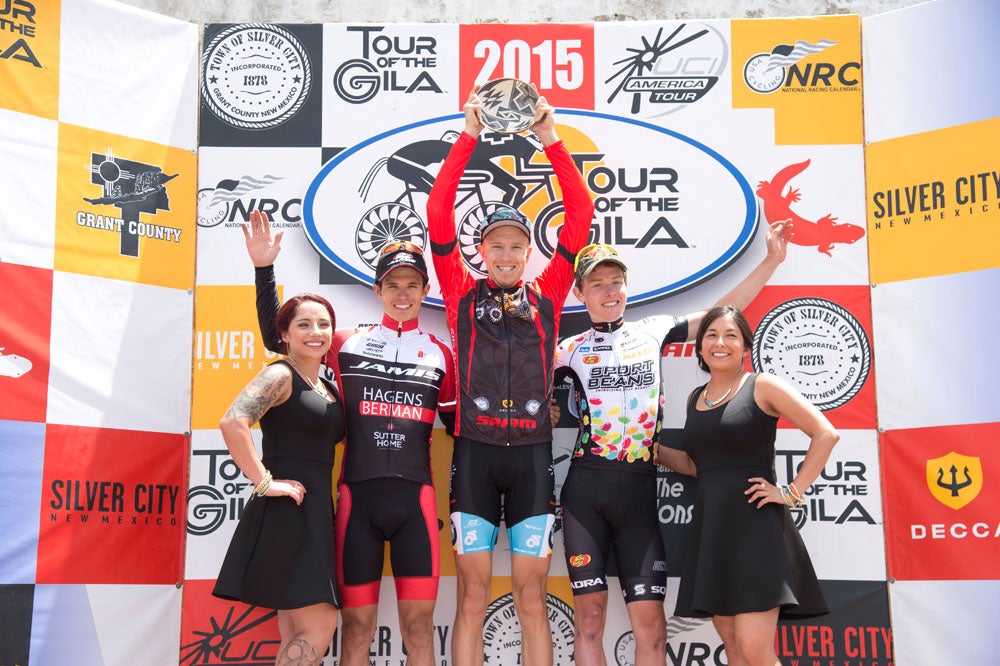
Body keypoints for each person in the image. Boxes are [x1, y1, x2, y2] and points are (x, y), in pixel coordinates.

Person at [553, 225, 790, 666]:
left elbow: (725, 313)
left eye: (615, 281)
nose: (609, 291)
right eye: (597, 283)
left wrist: (772, 261)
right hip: (585, 491)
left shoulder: (653, 331)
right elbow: (518, 387)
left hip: (640, 493)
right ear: (580, 291)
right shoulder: (568, 350)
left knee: (654, 631)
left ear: (626, 286)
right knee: (588, 619)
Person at [425, 86, 595, 666]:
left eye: (515, 246)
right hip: (473, 456)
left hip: (530, 458)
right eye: (495, 245)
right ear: (481, 249)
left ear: (528, 253)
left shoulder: (548, 295)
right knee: (473, 595)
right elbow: (437, 213)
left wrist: (550, 138)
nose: (504, 254)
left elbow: (580, 219)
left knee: (530, 595)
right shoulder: (457, 291)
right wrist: (469, 135)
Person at [244, 211, 457, 666]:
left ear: (425, 292)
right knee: (356, 628)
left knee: (419, 628)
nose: (403, 295)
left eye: (412, 285)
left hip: (415, 504)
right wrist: (265, 270)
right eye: (393, 285)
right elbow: (277, 338)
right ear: (377, 290)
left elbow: (460, 426)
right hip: (355, 503)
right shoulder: (344, 341)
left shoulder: (442, 354)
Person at [672, 305, 839, 666]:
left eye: (731, 335)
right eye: (711, 335)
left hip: (755, 530)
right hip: (713, 533)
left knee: (753, 649)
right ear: (699, 347)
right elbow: (695, 465)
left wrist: (791, 492)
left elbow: (825, 433)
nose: (720, 342)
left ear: (746, 346)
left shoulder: (762, 385)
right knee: (731, 643)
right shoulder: (694, 399)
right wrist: (646, 449)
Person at [213, 292, 345, 666]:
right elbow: (232, 422)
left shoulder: (327, 387)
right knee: (320, 623)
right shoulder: (280, 373)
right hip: (288, 512)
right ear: (284, 334)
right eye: (303, 324)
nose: (315, 332)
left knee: (295, 631)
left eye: (323, 324)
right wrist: (267, 483)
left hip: (315, 512)